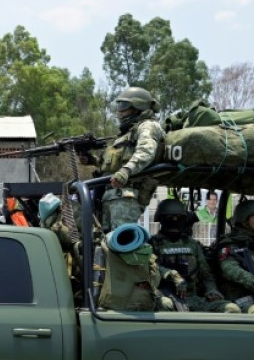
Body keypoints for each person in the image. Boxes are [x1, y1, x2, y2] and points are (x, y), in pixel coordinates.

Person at [89, 87, 166, 230]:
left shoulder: (147, 126)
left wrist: (126, 171)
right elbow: (112, 163)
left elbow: (145, 152)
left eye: (124, 106)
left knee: (122, 240)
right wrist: (91, 160)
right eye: (119, 106)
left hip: (126, 196)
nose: (120, 111)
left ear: (138, 107)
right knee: (103, 240)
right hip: (110, 196)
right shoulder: (126, 132)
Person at [150, 199, 240, 313]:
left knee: (231, 308)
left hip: (192, 298)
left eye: (179, 217)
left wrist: (211, 290)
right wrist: (171, 275)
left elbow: (206, 274)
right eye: (170, 217)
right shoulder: (153, 244)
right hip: (166, 296)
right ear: (161, 219)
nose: (175, 220)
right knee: (165, 305)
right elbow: (151, 267)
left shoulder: (192, 244)